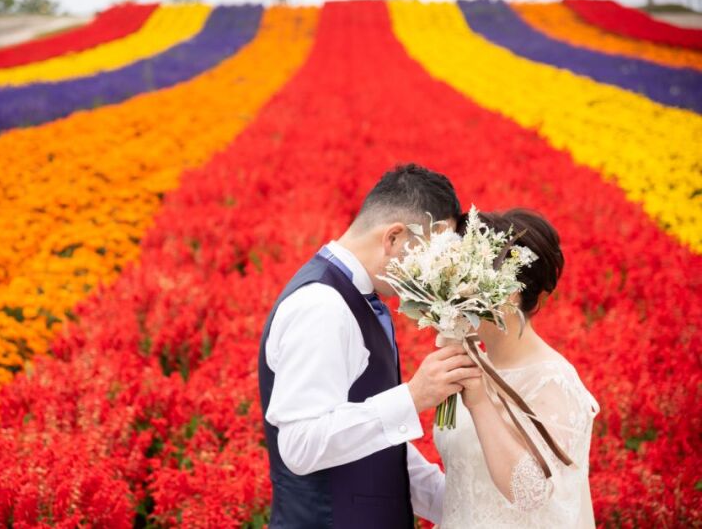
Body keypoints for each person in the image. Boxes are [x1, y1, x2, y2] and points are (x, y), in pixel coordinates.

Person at [257, 163, 482, 528]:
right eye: (433, 255)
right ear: (393, 238)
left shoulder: (360, 298)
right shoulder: (322, 306)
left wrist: (463, 508)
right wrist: (413, 396)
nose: (434, 272)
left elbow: (373, 445)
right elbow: (300, 444)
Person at [435, 208, 600, 528]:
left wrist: (481, 402)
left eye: (467, 281)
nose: (455, 293)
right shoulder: (471, 364)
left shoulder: (553, 380)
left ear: (509, 292)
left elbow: (532, 493)